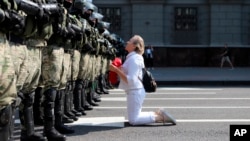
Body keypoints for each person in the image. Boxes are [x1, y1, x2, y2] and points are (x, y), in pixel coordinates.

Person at [109, 35, 176, 126]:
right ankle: (157, 114)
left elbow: (131, 79)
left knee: (134, 120)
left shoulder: (134, 59)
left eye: (130, 41)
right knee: (134, 117)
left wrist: (116, 70)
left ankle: (160, 117)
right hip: (134, 91)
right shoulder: (132, 58)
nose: (127, 42)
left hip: (135, 91)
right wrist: (118, 68)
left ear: (134, 46)